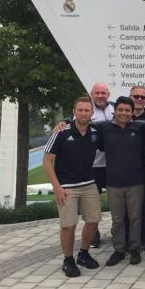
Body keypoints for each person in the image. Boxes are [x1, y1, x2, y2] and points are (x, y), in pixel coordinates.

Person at [43, 97, 102, 277]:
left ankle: (83, 254)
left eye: (87, 110)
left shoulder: (95, 132)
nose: (84, 113)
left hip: (88, 183)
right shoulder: (61, 131)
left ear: (92, 113)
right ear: (74, 111)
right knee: (69, 226)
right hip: (67, 186)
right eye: (80, 110)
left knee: (93, 221)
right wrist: (57, 188)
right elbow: (46, 162)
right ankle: (68, 260)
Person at [97, 96, 145, 267]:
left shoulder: (140, 128)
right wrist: (64, 122)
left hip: (135, 181)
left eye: (127, 110)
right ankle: (119, 250)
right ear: (115, 111)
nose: (124, 113)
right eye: (120, 110)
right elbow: (82, 122)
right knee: (117, 219)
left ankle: (135, 249)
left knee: (135, 218)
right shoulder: (104, 128)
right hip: (113, 182)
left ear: (132, 112)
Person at [129, 86, 145, 253]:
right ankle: (128, 239)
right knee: (128, 207)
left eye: (142, 97)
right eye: (136, 96)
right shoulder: (122, 115)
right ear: (130, 97)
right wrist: (66, 121)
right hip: (127, 169)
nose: (139, 99)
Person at [89, 82, 114, 248]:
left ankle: (117, 231)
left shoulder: (115, 108)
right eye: (97, 93)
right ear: (92, 94)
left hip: (113, 163)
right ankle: (93, 234)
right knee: (92, 202)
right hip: (93, 165)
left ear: (108, 94)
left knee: (116, 201)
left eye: (103, 93)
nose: (100, 95)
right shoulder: (85, 110)